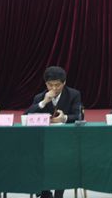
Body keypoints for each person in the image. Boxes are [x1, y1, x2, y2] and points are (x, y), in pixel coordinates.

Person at [26, 66, 82, 198]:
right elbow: (26, 116)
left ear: (64, 82)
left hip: (65, 141)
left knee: (61, 162)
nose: (54, 88)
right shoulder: (40, 97)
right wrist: (44, 102)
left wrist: (64, 118)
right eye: (50, 85)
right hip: (44, 141)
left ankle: (58, 194)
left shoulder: (74, 94)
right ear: (46, 84)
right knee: (35, 158)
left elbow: (79, 116)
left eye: (57, 85)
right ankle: (45, 193)